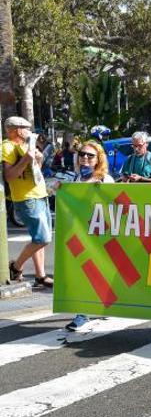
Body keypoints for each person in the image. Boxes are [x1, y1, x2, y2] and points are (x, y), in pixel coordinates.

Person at [64, 141, 114, 331]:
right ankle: (82, 313)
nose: (85, 158)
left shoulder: (105, 180)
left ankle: (101, 304)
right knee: (81, 273)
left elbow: (113, 208)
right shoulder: (75, 179)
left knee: (97, 273)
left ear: (98, 159)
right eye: (82, 154)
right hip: (78, 234)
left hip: (99, 236)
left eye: (90, 155)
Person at [2, 116, 54, 287]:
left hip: (40, 194)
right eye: (26, 128)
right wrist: (26, 159)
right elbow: (9, 176)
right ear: (16, 129)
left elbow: (35, 170)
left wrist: (38, 158)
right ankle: (16, 267)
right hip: (26, 198)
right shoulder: (7, 146)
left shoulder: (27, 145)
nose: (29, 131)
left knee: (38, 236)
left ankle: (40, 275)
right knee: (43, 238)